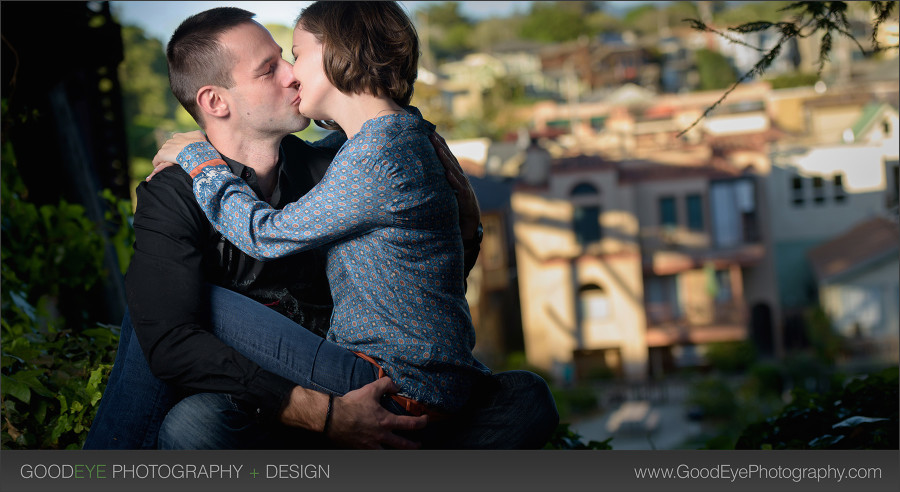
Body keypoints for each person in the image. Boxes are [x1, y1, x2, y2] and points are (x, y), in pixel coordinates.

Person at [86, 6, 556, 450]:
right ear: (215, 101)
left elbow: (414, 276)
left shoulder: (337, 163)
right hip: (276, 394)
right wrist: (317, 411)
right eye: (270, 69)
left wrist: (467, 223)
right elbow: (169, 342)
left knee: (528, 397)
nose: (291, 74)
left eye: (291, 57)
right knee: (193, 413)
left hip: (366, 375)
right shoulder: (174, 195)